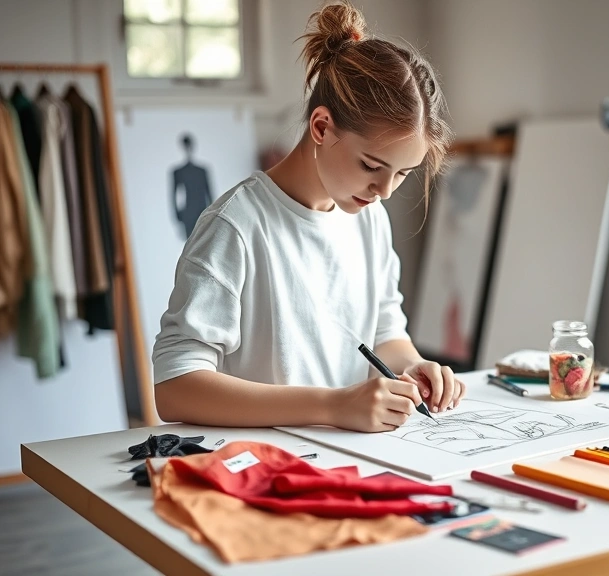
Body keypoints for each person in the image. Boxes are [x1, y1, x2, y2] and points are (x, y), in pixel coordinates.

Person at [151, 1, 463, 433]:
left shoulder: (368, 219)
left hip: (346, 459)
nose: (385, 192)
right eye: (372, 166)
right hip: (259, 468)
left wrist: (412, 366)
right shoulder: (236, 226)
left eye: (403, 174)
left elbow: (385, 333)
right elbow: (175, 386)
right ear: (321, 127)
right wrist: (333, 407)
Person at [170, 133, 213, 240]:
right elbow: (174, 195)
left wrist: (212, 213)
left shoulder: (202, 171)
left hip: (202, 211)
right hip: (188, 213)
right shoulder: (178, 172)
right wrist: (178, 216)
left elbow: (209, 193)